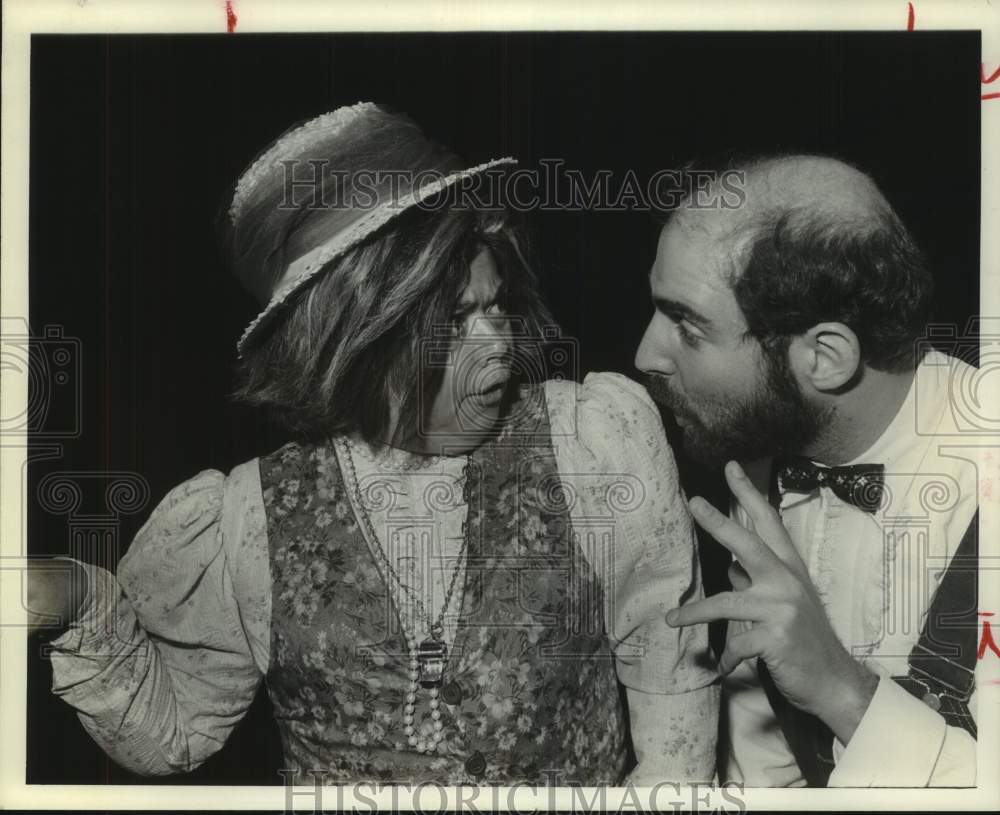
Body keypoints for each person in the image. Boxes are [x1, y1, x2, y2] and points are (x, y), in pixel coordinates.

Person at [27, 103, 718, 786]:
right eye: (453, 320)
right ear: (352, 340)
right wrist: (79, 601)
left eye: (497, 304)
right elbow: (170, 729)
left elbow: (674, 709)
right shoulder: (246, 519)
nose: (499, 343)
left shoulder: (592, 444)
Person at [634, 154, 981, 787]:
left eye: (686, 324)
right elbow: (763, 762)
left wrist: (839, 690)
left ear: (824, 357)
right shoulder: (767, 452)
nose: (645, 355)